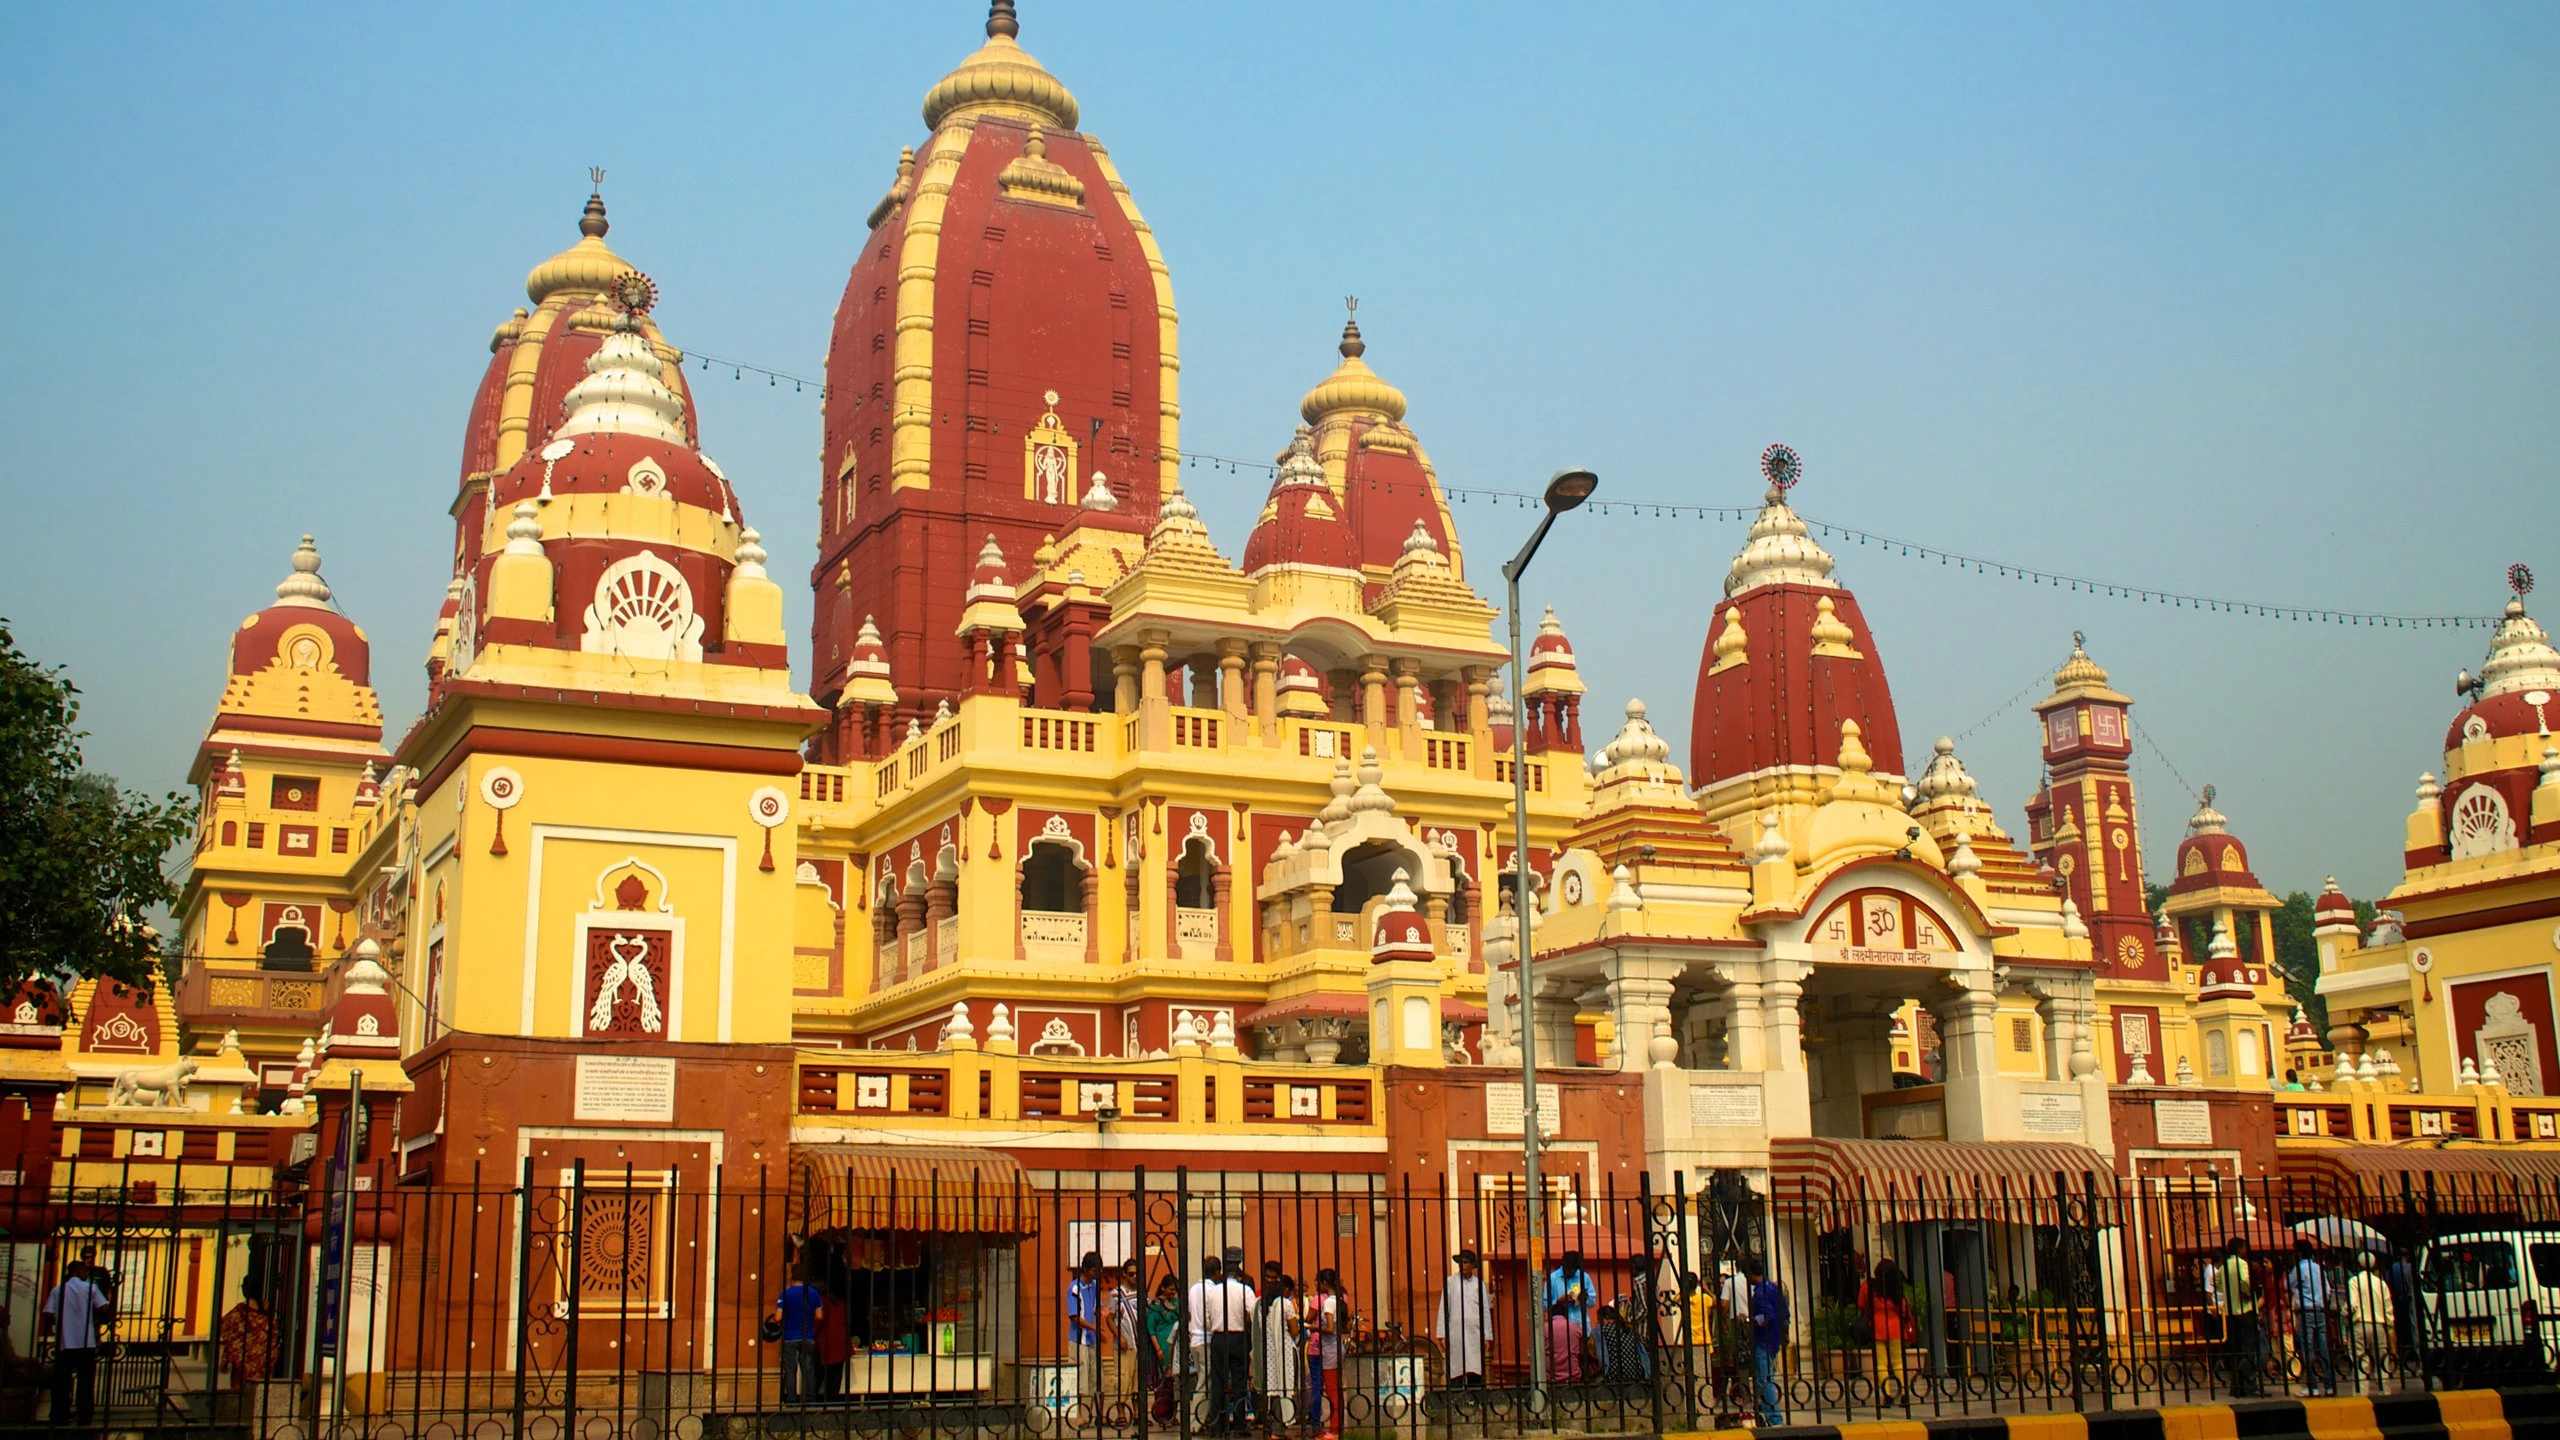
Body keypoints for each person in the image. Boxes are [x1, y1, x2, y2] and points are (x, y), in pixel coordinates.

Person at [1187, 1254, 1255, 1435]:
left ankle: (1218, 1423)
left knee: (1217, 1381)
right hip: (1238, 1336)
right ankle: (1240, 1424)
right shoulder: (1244, 1290)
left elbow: (1208, 1317)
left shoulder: (1214, 1291)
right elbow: (1252, 1314)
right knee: (1239, 1381)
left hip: (1218, 1338)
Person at [43, 1258, 113, 1425]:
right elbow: (104, 1307)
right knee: (86, 1381)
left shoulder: (58, 1290)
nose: (87, 1274)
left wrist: (59, 1321)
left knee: (62, 1381)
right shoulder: (90, 1288)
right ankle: (84, 1415)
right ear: (79, 1271)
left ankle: (60, 1414)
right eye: (85, 1271)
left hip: (65, 1342)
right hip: (85, 1341)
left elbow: (48, 1312)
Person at [1856, 1258, 1913, 1399]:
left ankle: (1887, 1394)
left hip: (1877, 1328)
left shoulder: (1869, 1286)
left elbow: (1861, 1304)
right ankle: (1904, 1391)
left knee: (1881, 1364)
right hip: (1895, 1328)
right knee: (1898, 1362)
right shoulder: (1896, 1287)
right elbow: (1905, 1309)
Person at [768, 1265, 825, 1404]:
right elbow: (819, 1316)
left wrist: (775, 1318)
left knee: (790, 1369)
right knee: (808, 1369)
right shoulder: (813, 1293)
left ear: (792, 1277)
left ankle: (792, 1399)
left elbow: (778, 1317)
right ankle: (811, 1399)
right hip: (808, 1336)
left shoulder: (785, 1294)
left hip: (789, 1337)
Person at [1251, 1274, 1300, 1436]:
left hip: (1267, 1352)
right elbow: (1294, 1330)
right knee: (1285, 1386)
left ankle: (1268, 1425)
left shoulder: (1259, 1305)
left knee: (1270, 1388)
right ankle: (1281, 1425)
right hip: (1284, 1350)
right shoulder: (1285, 1304)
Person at [2213, 1238, 2262, 1398]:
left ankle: (2236, 1386)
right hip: (2245, 1311)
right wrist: (2248, 1293)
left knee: (2235, 1350)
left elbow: (2217, 1283)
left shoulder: (2223, 1266)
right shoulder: (2241, 1264)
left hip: (2230, 1313)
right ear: (2239, 1248)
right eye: (2244, 1247)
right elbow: (2244, 1282)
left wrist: (2229, 1291)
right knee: (2248, 1350)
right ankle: (2249, 1384)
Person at [1438, 1250, 1492, 1388]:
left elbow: (1485, 1310)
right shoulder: (1451, 1282)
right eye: (1461, 1262)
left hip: (1474, 1332)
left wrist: (1487, 1335)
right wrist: (1442, 1333)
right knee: (1457, 1367)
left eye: (1466, 1262)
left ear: (1473, 1265)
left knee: (1475, 1367)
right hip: (1456, 1332)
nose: (1462, 1265)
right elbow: (1444, 1308)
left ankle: (1475, 1397)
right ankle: (1456, 1398)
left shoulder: (1479, 1284)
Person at [2290, 1239, 2335, 1397]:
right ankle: (2329, 1385)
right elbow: (2328, 1290)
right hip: (2320, 1310)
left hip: (2306, 1310)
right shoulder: (2319, 1269)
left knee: (2307, 1348)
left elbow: (2288, 1285)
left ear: (2299, 1253)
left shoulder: (2299, 1268)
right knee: (2323, 1347)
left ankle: (2312, 1386)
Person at [2345, 1251, 2395, 1394]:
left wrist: (2344, 1314)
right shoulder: (2381, 1283)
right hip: (2379, 1325)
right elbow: (2388, 1307)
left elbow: (2352, 1304)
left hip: (2360, 1324)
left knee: (2360, 1360)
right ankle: (2384, 1392)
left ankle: (2361, 1393)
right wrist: (2389, 1326)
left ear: (2358, 1264)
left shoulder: (2354, 1281)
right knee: (2381, 1360)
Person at [1747, 1258, 1789, 1425]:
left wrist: (1751, 1320)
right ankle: (1768, 1413)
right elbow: (1784, 1313)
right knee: (1767, 1377)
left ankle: (1773, 1416)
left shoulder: (1760, 1292)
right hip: (1774, 1338)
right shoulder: (1773, 1288)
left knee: (1764, 1379)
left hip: (1764, 1339)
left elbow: (1768, 1316)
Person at [1306, 1268, 1346, 1439]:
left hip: (1329, 1350)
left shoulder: (1329, 1302)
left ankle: (1334, 1429)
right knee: (1335, 1388)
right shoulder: (1341, 1299)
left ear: (1324, 1283)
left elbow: (1329, 1328)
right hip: (1337, 1348)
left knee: (1331, 1390)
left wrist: (1313, 1327)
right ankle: (1338, 1426)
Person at [218, 1283, 279, 1393]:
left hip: (241, 1367)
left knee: (240, 1397)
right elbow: (274, 1341)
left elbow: (227, 1332)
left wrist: (226, 1358)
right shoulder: (267, 1318)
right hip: (261, 1367)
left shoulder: (238, 1313)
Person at [1069, 1251, 1107, 1419]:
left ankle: (1096, 1415)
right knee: (1081, 1380)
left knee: (1097, 1379)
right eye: (1093, 1271)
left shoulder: (1095, 1285)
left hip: (1092, 1339)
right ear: (1085, 1269)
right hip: (1079, 1341)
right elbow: (1075, 1316)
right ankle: (1080, 1416)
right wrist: (1094, 1328)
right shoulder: (1074, 1287)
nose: (1096, 1274)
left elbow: (1096, 1308)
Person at [1144, 1272, 1185, 1424]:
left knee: (1175, 1382)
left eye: (1175, 1290)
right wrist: (1158, 1349)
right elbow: (1151, 1329)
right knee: (1163, 1381)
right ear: (1163, 1288)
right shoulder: (1155, 1307)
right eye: (1171, 1289)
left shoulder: (1177, 1303)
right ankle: (1162, 1414)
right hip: (1162, 1347)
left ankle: (1174, 1414)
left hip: (1176, 1347)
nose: (1173, 1292)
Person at [815, 1277, 852, 1401]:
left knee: (825, 1372)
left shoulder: (822, 1302)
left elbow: (818, 1321)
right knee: (837, 1373)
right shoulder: (841, 1303)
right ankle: (833, 1398)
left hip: (827, 1341)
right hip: (841, 1341)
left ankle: (824, 1398)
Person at [1546, 1298, 1585, 1384]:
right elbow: (1582, 1351)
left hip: (1550, 1377)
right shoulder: (1576, 1327)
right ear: (1566, 1314)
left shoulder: (1544, 1329)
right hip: (1573, 1375)